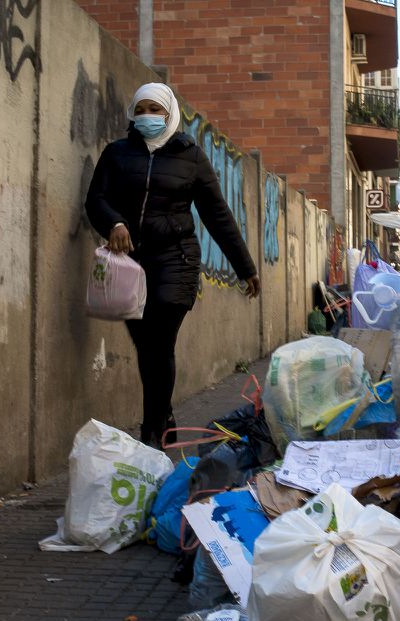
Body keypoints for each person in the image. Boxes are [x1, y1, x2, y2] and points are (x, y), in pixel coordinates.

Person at [85, 83, 261, 448]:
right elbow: (95, 199)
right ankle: (163, 413)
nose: (148, 116)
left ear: (170, 114)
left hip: (176, 260)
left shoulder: (191, 156)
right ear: (133, 113)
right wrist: (114, 223)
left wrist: (245, 267)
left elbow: (218, 215)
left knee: (160, 341)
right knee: (145, 345)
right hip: (130, 263)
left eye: (156, 109)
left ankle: (153, 433)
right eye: (142, 109)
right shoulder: (117, 154)